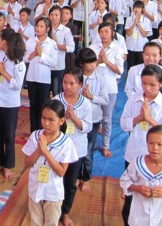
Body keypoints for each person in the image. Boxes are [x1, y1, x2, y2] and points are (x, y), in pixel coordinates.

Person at [120, 64, 162, 224]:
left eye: (152, 84)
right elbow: (123, 123)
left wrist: (149, 119)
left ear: (161, 84)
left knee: (152, 199)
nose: (147, 88)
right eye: (144, 83)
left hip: (154, 157)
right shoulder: (133, 100)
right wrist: (139, 118)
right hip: (133, 153)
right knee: (130, 199)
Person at [22, 100, 77, 226]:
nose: (46, 123)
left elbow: (61, 171)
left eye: (51, 120)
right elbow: (27, 163)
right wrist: (39, 149)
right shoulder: (35, 136)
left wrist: (46, 152)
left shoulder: (66, 143)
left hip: (53, 192)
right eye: (43, 118)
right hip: (35, 188)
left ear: (61, 121)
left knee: (51, 223)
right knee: (35, 222)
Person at [120, 125, 162, 226]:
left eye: (160, 144)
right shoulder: (137, 164)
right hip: (139, 218)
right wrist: (137, 188)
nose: (154, 148)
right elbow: (124, 180)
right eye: (151, 143)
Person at [54, 67, 92, 226]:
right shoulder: (56, 100)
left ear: (80, 85)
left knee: (70, 183)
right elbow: (50, 122)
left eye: (72, 83)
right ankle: (53, 209)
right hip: (58, 148)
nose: (67, 86)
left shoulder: (85, 104)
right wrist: (61, 119)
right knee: (55, 180)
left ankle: (65, 212)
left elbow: (88, 127)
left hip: (76, 149)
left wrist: (74, 118)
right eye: (65, 82)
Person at [0, 28, 26, 179]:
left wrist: (3, 72)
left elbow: (18, 85)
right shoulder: (0, 56)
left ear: (5, 41)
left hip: (10, 103)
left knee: (9, 136)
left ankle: (8, 165)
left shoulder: (18, 62)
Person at [76, 48, 108, 193]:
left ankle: (86, 177)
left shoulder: (100, 78)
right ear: (82, 64)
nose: (93, 65)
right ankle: (77, 175)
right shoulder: (76, 77)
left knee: (88, 152)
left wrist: (91, 96)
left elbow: (105, 100)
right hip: (77, 118)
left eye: (94, 62)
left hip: (93, 119)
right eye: (89, 63)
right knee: (76, 148)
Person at [91, 22, 124, 158]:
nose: (103, 34)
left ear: (112, 33)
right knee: (92, 116)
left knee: (106, 119)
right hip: (94, 87)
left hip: (110, 88)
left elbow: (120, 70)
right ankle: (92, 143)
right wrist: (98, 61)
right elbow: (87, 65)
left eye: (106, 32)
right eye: (101, 32)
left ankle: (105, 146)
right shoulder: (93, 47)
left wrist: (106, 61)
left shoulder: (117, 49)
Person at [25, 17, 58, 132]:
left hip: (44, 79)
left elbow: (54, 62)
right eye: (37, 26)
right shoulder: (30, 41)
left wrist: (41, 55)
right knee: (33, 105)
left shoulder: (52, 43)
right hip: (31, 77)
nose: (38, 28)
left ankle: (42, 130)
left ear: (47, 29)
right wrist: (34, 53)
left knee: (43, 106)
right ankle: (33, 130)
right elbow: (24, 58)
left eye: (41, 26)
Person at [49, 6, 75, 97]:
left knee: (56, 92)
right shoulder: (45, 28)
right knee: (44, 92)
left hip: (58, 66)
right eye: (51, 15)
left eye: (56, 15)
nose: (54, 17)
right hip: (45, 65)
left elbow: (71, 48)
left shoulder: (66, 30)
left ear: (60, 16)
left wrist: (56, 45)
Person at [125, 0, 152, 68]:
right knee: (130, 66)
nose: (137, 10)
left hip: (141, 46)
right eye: (135, 7)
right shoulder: (129, 19)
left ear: (142, 9)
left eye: (139, 8)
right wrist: (134, 23)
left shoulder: (146, 20)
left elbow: (144, 34)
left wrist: (138, 24)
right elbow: (128, 33)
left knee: (140, 66)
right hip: (130, 46)